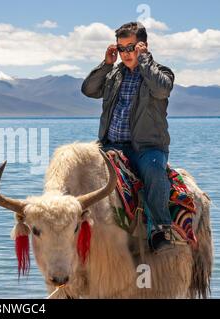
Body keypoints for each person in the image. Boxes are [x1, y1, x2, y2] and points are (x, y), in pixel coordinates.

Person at [81, 22, 175, 253]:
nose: (126, 53)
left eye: (131, 47)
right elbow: (89, 90)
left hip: (147, 147)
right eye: (121, 48)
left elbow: (162, 90)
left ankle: (160, 229)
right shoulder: (114, 74)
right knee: (81, 167)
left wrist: (145, 61)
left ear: (143, 46)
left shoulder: (161, 72)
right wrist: (106, 64)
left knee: (154, 170)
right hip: (111, 144)